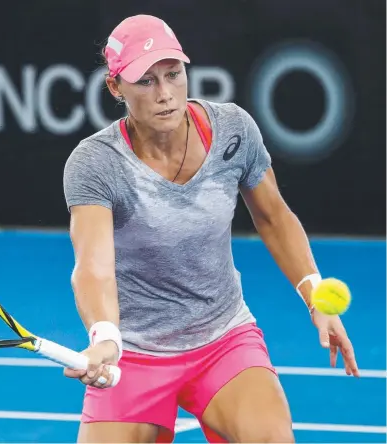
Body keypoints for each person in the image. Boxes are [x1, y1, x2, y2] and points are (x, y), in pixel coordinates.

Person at [62, 14, 359, 443]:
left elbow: (274, 216)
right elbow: (93, 266)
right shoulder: (95, 163)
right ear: (115, 87)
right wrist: (105, 337)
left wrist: (315, 295)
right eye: (146, 81)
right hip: (136, 354)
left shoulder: (232, 130)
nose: (165, 94)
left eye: (173, 75)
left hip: (223, 340)